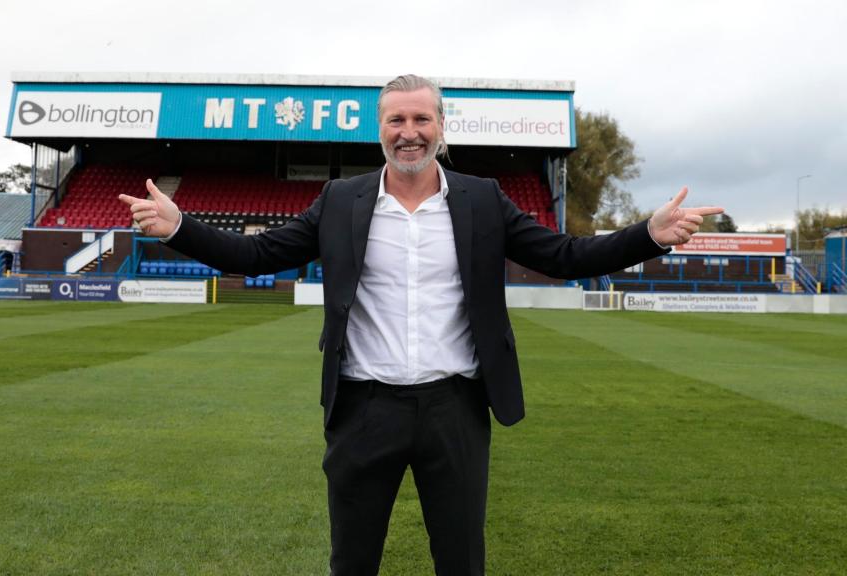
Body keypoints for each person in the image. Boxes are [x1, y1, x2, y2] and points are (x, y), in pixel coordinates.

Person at [119, 74, 722, 576]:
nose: (409, 133)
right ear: (379, 129)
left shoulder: (482, 199)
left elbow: (564, 256)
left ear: (440, 127)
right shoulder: (339, 200)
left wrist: (647, 236)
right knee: (351, 563)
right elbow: (256, 256)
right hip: (362, 410)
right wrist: (180, 226)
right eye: (396, 122)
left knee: (461, 562)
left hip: (454, 408)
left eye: (421, 120)